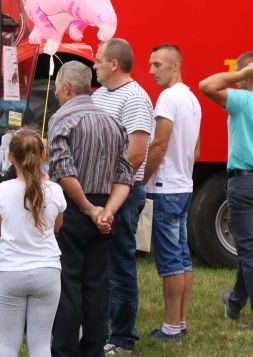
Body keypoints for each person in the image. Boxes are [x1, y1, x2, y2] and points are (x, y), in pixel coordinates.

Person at [47, 61, 133, 357]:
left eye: (57, 88)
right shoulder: (113, 123)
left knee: (68, 281)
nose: (56, 93)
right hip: (106, 208)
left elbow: (63, 169)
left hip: (73, 206)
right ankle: (93, 349)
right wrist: (106, 211)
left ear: (67, 88)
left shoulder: (62, 118)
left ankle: (65, 350)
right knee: (96, 284)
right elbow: (125, 175)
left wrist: (87, 209)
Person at [199, 51, 253, 330]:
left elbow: (206, 86)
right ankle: (235, 301)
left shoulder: (242, 101)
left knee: (250, 252)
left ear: (248, 75)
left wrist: (241, 74)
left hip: (245, 184)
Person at [91, 38, 153, 355]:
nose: (94, 65)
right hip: (99, 191)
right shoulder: (100, 96)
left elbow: (137, 153)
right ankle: (99, 333)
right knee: (99, 266)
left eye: (99, 60)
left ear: (114, 64)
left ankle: (123, 338)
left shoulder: (135, 98)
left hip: (123, 193)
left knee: (119, 265)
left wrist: (112, 189)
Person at [142, 44, 202, 342]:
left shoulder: (168, 97)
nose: (152, 71)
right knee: (182, 258)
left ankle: (170, 327)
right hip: (184, 186)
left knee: (170, 263)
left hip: (166, 189)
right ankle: (179, 322)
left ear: (175, 65)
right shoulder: (192, 100)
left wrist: (142, 179)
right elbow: (196, 149)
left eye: (158, 64)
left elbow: (159, 145)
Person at [0, 128, 66, 357]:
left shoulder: (0, 191)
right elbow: (56, 227)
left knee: (7, 343)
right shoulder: (55, 190)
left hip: (10, 270)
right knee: (41, 345)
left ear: (10, 157)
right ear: (43, 154)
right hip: (47, 271)